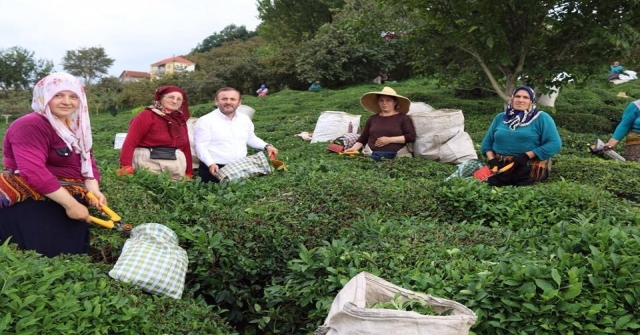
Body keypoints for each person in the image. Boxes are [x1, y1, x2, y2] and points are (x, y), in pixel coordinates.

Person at [0, 72, 107, 257]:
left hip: (64, 194)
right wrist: (71, 205)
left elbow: (87, 160)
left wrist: (93, 189)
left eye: (73, 96)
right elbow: (34, 171)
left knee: (73, 257)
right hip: (34, 198)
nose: (67, 102)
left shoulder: (75, 125)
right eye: (58, 95)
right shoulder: (30, 125)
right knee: (41, 255)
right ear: (44, 97)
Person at [481, 86, 562, 187]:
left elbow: (554, 143)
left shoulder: (542, 118)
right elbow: (487, 143)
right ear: (512, 99)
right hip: (499, 165)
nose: (520, 100)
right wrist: (492, 160)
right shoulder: (500, 117)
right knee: (484, 184)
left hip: (528, 165)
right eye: (517, 96)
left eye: (525, 97)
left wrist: (527, 155)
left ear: (531, 101)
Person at [194, 87, 279, 183]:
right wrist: (210, 164)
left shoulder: (244, 119)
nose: (228, 102)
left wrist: (266, 146)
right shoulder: (205, 121)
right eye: (224, 99)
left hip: (240, 165)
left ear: (239, 102)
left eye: (233, 99)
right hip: (216, 168)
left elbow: (250, 138)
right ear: (216, 101)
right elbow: (201, 146)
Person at [118, 85, 193, 180]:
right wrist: (126, 166)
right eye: (171, 97)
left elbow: (186, 147)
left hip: (175, 168)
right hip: (148, 164)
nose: (175, 101)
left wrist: (189, 172)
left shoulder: (179, 120)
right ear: (161, 98)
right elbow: (130, 142)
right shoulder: (147, 115)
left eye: (179, 99)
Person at [344, 87, 416, 162]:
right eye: (381, 100)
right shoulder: (372, 118)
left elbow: (411, 136)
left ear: (395, 102)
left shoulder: (403, 118)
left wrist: (389, 140)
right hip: (371, 155)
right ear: (378, 102)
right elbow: (364, 138)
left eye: (388, 100)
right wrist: (354, 148)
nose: (384, 103)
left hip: (398, 156)